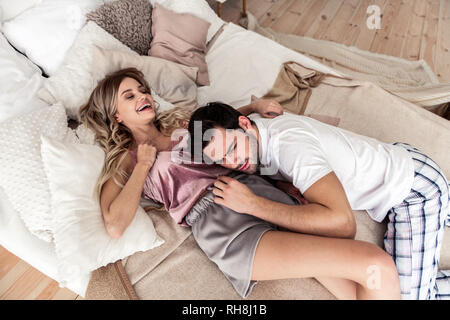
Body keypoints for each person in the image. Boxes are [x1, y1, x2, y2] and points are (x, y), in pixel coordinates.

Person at [79, 68, 401, 300]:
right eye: (130, 95)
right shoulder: (126, 160)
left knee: (360, 287)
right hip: (224, 226)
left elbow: (223, 127)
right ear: (115, 115)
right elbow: (116, 225)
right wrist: (143, 166)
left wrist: (255, 107)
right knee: (371, 263)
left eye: (143, 89)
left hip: (257, 193)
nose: (143, 96)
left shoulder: (181, 128)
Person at [187, 101, 450, 300]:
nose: (233, 163)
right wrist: (254, 105)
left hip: (414, 189)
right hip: (398, 159)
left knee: (404, 297)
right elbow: (217, 125)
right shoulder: (255, 125)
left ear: (245, 124)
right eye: (221, 159)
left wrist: (253, 204)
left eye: (232, 149)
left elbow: (343, 225)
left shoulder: (290, 148)